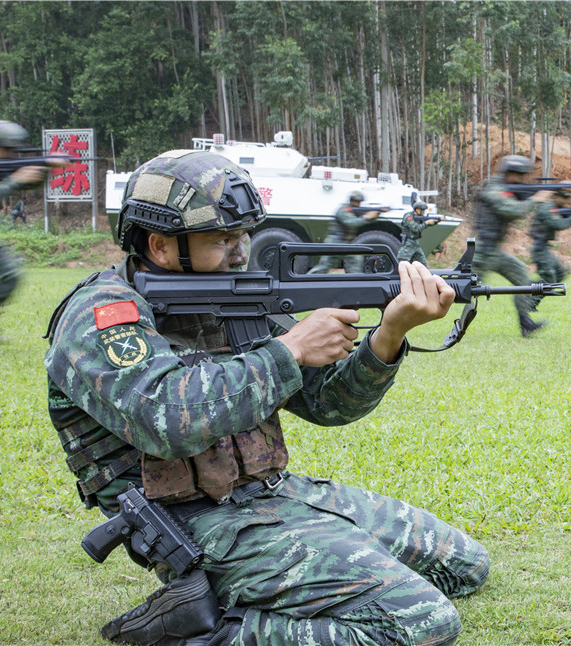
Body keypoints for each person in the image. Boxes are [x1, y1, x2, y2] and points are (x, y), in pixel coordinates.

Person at [44, 150, 489, 646]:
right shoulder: (103, 315)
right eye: (222, 239)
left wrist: (388, 334)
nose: (240, 251)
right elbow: (164, 421)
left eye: (243, 235)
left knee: (463, 565)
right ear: (160, 245)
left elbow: (327, 404)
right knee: (424, 620)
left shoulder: (231, 297)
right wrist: (290, 349)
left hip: (270, 494)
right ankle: (193, 633)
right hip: (194, 522)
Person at [0, 120, 61, 338]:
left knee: (10, 272)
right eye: (5, 149)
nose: (10, 155)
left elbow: (30, 183)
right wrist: (16, 179)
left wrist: (44, 169)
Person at [472, 155, 553, 336]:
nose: (522, 179)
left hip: (493, 251)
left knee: (523, 280)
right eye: (520, 175)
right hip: (483, 251)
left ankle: (526, 324)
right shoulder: (494, 188)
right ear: (510, 173)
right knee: (462, 289)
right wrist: (535, 199)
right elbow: (511, 209)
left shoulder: (506, 188)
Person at [528, 187, 571, 310]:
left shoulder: (554, 208)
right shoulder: (547, 208)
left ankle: (527, 289)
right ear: (555, 196)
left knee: (560, 273)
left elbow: (562, 217)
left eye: (566, 198)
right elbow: (558, 224)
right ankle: (529, 303)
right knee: (549, 279)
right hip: (539, 248)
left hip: (544, 248)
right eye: (562, 198)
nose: (564, 201)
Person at [308, 190, 381, 274]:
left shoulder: (354, 211)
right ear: (352, 201)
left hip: (346, 243)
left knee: (355, 263)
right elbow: (351, 223)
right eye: (356, 202)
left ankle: (355, 281)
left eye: (359, 202)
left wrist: (375, 214)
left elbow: (364, 220)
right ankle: (304, 282)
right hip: (334, 243)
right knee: (323, 267)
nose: (358, 204)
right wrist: (367, 217)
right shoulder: (343, 210)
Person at [397, 199, 438, 265]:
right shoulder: (409, 217)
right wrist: (426, 223)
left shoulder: (418, 217)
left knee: (423, 264)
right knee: (403, 261)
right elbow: (416, 228)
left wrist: (433, 222)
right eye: (423, 210)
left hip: (415, 243)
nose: (424, 212)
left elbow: (421, 226)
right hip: (409, 242)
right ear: (417, 210)